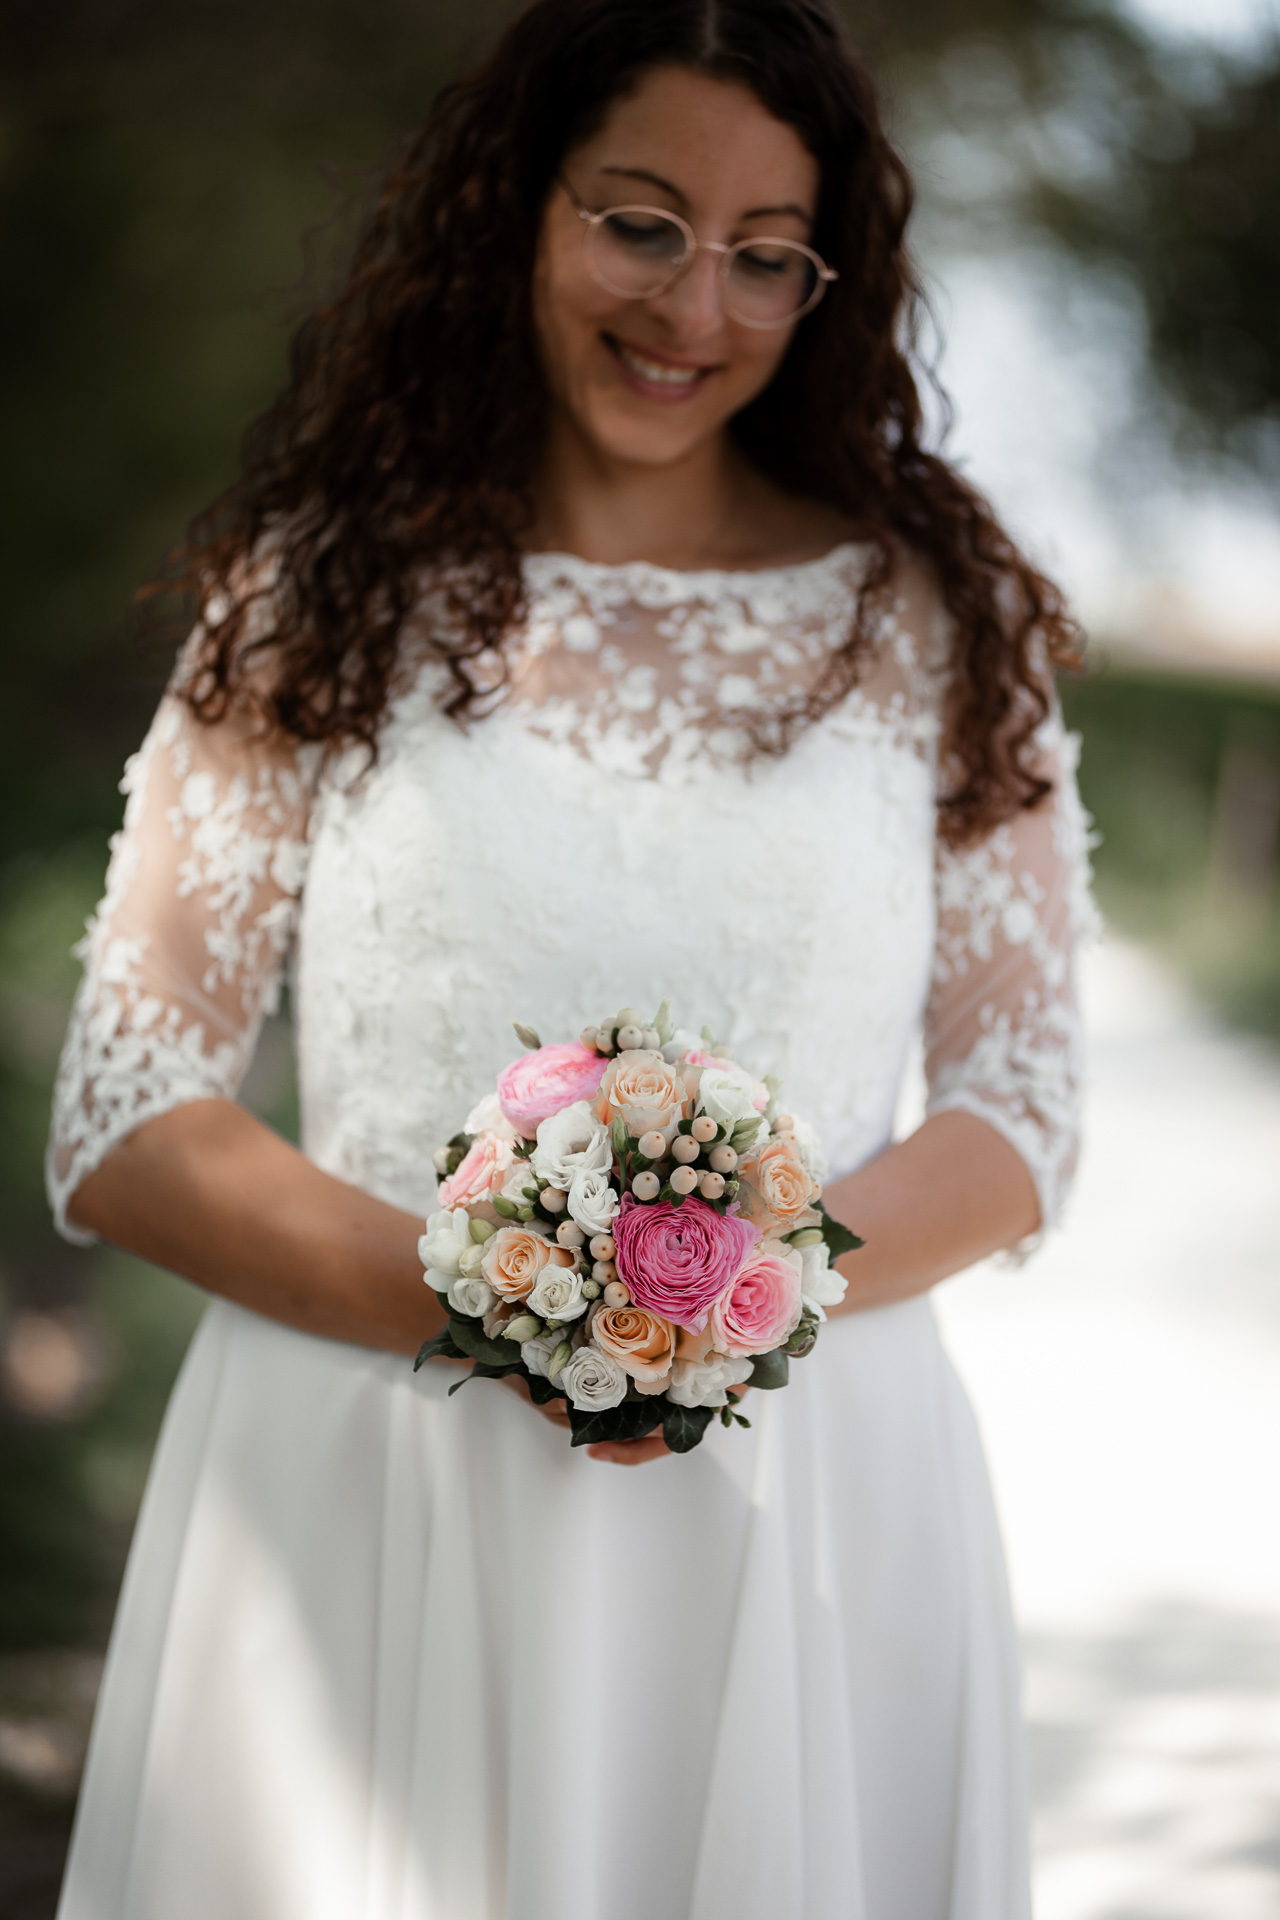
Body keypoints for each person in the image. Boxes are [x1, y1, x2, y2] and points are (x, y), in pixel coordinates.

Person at [46, 1, 1095, 1914]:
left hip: (808, 1509)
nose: (694, 307)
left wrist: (736, 1303)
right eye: (638, 222)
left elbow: (1022, 1101)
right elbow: (126, 1113)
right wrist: (508, 1312)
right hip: (367, 1485)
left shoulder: (934, 620)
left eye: (766, 253)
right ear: (516, 210)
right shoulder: (318, 595)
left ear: (819, 280)